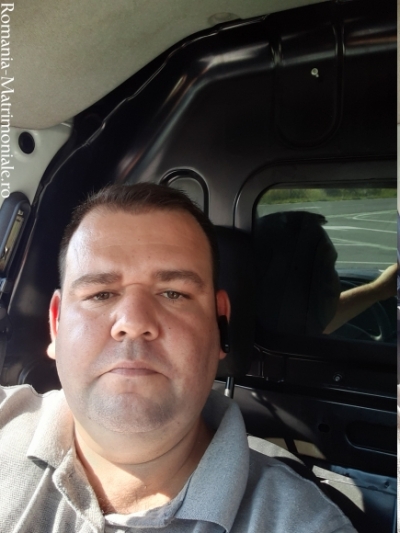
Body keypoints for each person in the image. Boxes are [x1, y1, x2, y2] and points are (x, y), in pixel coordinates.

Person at [0, 184, 356, 532]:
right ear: (56, 325)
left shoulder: (305, 524)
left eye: (173, 293)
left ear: (219, 323)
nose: (134, 323)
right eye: (101, 294)